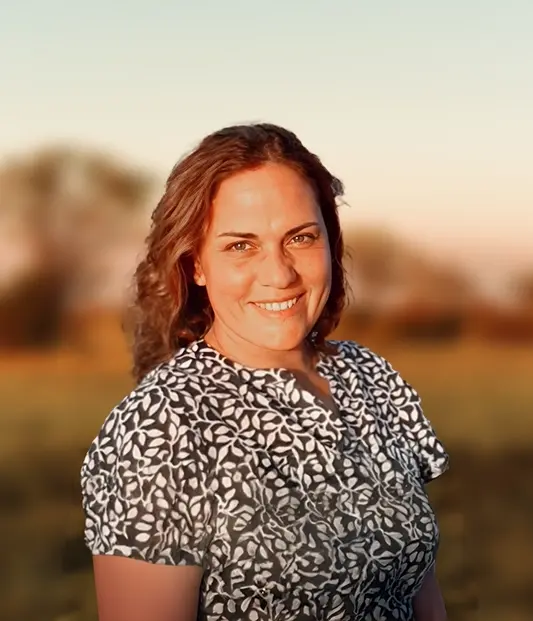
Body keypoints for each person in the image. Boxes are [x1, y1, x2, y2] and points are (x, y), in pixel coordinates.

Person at [80, 123, 449, 621]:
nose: (279, 274)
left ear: (330, 243)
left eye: (300, 238)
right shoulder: (159, 429)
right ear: (195, 265)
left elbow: (417, 585)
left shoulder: (372, 378)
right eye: (240, 245)